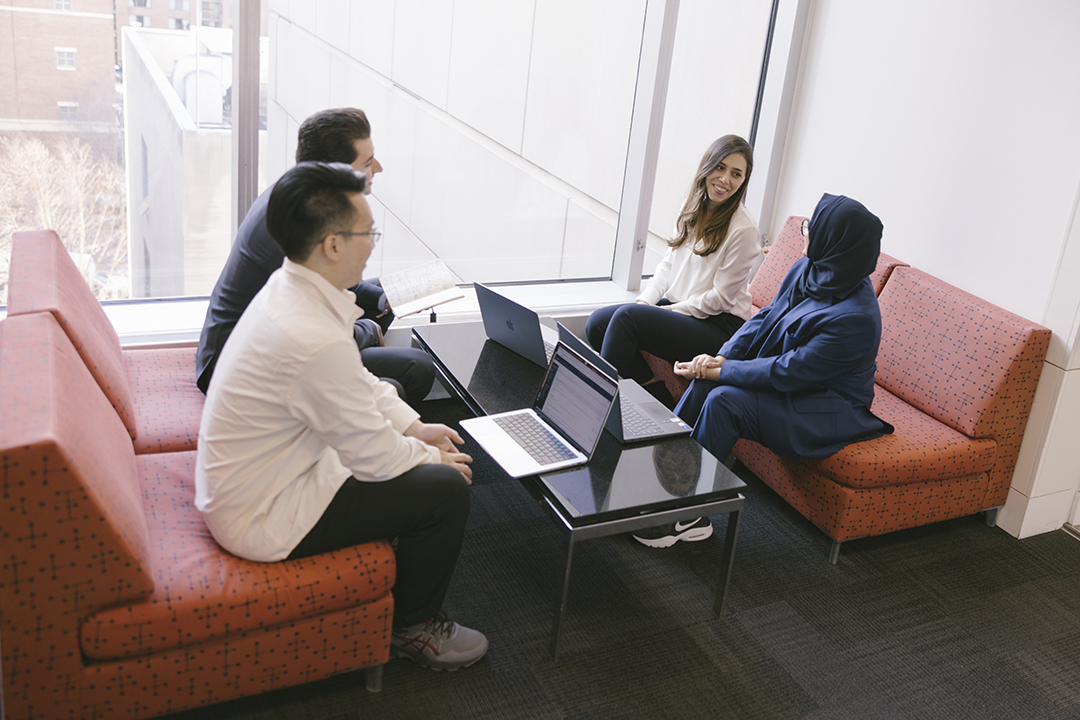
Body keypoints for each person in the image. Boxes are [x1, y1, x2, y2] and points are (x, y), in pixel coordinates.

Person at [195, 161, 488, 671]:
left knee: (401, 408)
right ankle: (414, 628)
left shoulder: (295, 288)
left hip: (268, 473)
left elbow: (358, 383)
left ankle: (406, 563)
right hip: (261, 513)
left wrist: (415, 428)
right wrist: (428, 457)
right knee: (445, 489)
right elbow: (374, 456)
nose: (372, 243)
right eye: (366, 232)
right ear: (332, 244)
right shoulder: (306, 333)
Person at [633, 193, 895, 548]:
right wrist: (720, 358)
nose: (805, 232)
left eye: (811, 227)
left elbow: (789, 372)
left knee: (725, 400)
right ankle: (656, 484)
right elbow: (765, 318)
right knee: (705, 385)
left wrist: (722, 374)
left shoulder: (856, 318)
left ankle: (688, 513)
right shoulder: (812, 268)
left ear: (835, 241)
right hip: (793, 383)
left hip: (823, 407)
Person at [195, 107, 436, 407]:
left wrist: (380, 301)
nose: (379, 168)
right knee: (408, 373)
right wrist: (368, 330)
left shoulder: (298, 194)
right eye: (367, 162)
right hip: (239, 366)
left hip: (274, 344)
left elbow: (331, 287)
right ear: (336, 171)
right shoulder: (299, 222)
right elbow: (309, 328)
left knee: (400, 339)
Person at [585, 135, 760, 407]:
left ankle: (593, 409)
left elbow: (720, 299)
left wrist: (665, 311)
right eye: (720, 167)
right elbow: (668, 265)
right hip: (685, 309)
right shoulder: (692, 207)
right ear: (707, 166)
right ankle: (656, 394)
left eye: (736, 174)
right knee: (597, 323)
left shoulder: (744, 229)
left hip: (719, 326)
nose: (725, 179)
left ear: (743, 181)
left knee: (628, 319)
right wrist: (647, 301)